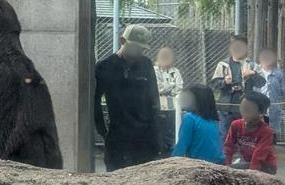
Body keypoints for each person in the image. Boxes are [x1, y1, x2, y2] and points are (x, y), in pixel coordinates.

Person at [94, 23, 161, 171]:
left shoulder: (146, 65)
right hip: (118, 137)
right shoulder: (104, 67)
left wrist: (156, 137)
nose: (139, 52)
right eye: (135, 47)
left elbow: (154, 99)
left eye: (142, 49)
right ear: (122, 41)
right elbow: (95, 102)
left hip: (144, 137)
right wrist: (103, 132)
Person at [210, 34, 265, 144]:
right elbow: (214, 84)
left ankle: (243, 159)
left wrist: (252, 74)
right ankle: (224, 159)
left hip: (245, 106)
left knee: (245, 136)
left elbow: (262, 83)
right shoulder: (223, 64)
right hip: (226, 107)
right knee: (224, 135)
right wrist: (224, 82)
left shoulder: (252, 65)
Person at [224, 91, 278, 174]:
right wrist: (225, 167)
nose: (244, 111)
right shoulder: (235, 125)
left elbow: (258, 156)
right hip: (249, 163)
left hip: (266, 166)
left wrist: (251, 175)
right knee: (229, 170)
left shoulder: (266, 132)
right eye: (242, 107)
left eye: (248, 109)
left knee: (235, 170)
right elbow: (228, 147)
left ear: (261, 113)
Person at [170, 84, 225, 164]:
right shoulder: (214, 119)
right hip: (219, 163)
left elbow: (181, 146)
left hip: (200, 166)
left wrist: (170, 164)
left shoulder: (190, 118)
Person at [153, 44, 183, 156]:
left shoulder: (175, 71)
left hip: (173, 107)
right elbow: (157, 87)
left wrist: (166, 87)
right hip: (158, 106)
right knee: (159, 132)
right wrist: (171, 85)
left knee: (171, 132)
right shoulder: (154, 70)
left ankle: (170, 154)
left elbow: (179, 88)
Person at [258, 46, 285, 143]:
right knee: (258, 132)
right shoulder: (256, 72)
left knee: (272, 132)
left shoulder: (279, 74)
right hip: (258, 107)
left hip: (273, 107)